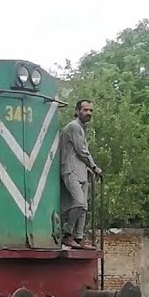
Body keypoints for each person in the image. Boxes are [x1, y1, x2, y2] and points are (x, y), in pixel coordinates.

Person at [59, 99, 102, 250]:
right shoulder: (74, 127)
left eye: (91, 110)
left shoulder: (82, 129)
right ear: (77, 111)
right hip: (70, 170)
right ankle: (66, 233)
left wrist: (88, 168)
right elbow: (81, 151)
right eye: (85, 110)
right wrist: (94, 166)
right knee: (79, 202)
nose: (88, 113)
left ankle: (78, 237)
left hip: (81, 171)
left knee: (83, 207)